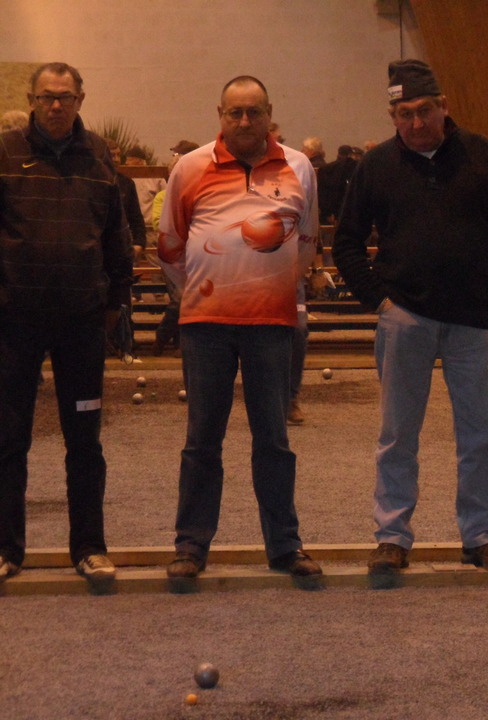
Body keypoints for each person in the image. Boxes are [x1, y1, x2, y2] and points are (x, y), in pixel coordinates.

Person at [333, 59, 488, 575]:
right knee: (398, 434)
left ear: (444, 107)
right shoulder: (375, 166)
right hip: (405, 319)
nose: (416, 123)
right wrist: (378, 301)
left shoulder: (482, 155)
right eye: (404, 114)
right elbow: (347, 242)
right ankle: (392, 535)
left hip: (478, 321)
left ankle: (482, 535)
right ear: (392, 116)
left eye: (424, 111)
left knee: (480, 435)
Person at [158, 75, 322, 581]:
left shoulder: (299, 167)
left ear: (269, 113)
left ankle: (285, 546)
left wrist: (271, 288)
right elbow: (170, 246)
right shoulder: (189, 168)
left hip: (272, 326)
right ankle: (190, 547)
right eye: (235, 113)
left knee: (273, 440)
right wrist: (206, 290)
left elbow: (308, 243)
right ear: (220, 114)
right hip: (205, 326)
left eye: (254, 112)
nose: (245, 121)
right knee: (201, 440)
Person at [0, 62, 134, 582]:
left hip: (82, 325)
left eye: (66, 96)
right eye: (46, 97)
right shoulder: (6, 152)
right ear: (32, 100)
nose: (56, 105)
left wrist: (115, 301)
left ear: (81, 98)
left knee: (85, 441)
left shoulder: (99, 154)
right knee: (9, 439)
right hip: (14, 325)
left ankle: (90, 547)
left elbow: (116, 235)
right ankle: (8, 549)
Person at [150, 140, 199, 357]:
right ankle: (161, 337)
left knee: (190, 299)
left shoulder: (199, 193)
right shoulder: (164, 195)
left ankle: (180, 343)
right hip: (172, 254)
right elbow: (158, 222)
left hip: (196, 254)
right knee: (180, 298)